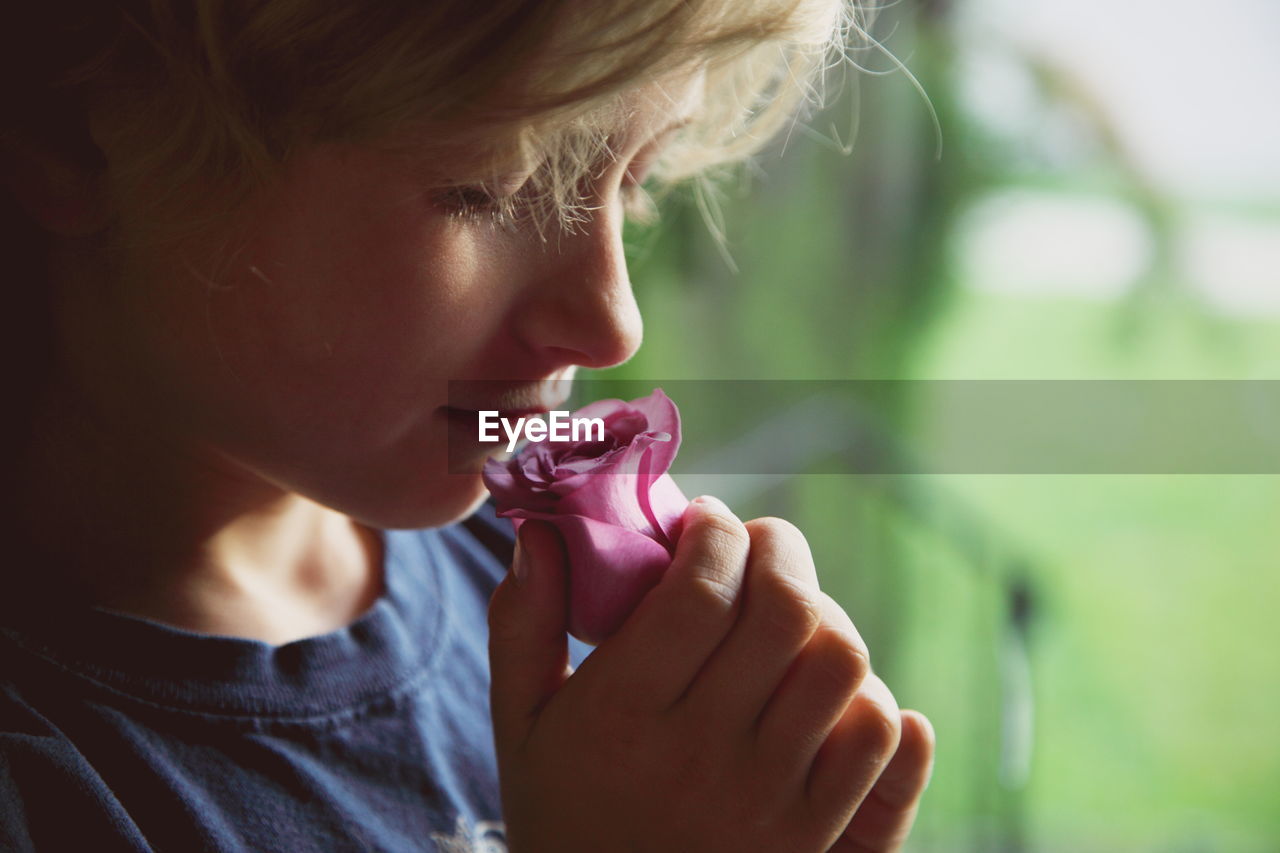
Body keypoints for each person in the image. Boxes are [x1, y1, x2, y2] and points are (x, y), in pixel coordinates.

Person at [0, 0, 935, 850]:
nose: (613, 321)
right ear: (80, 133)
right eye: (485, 187)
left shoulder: (532, 580)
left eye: (635, 180)